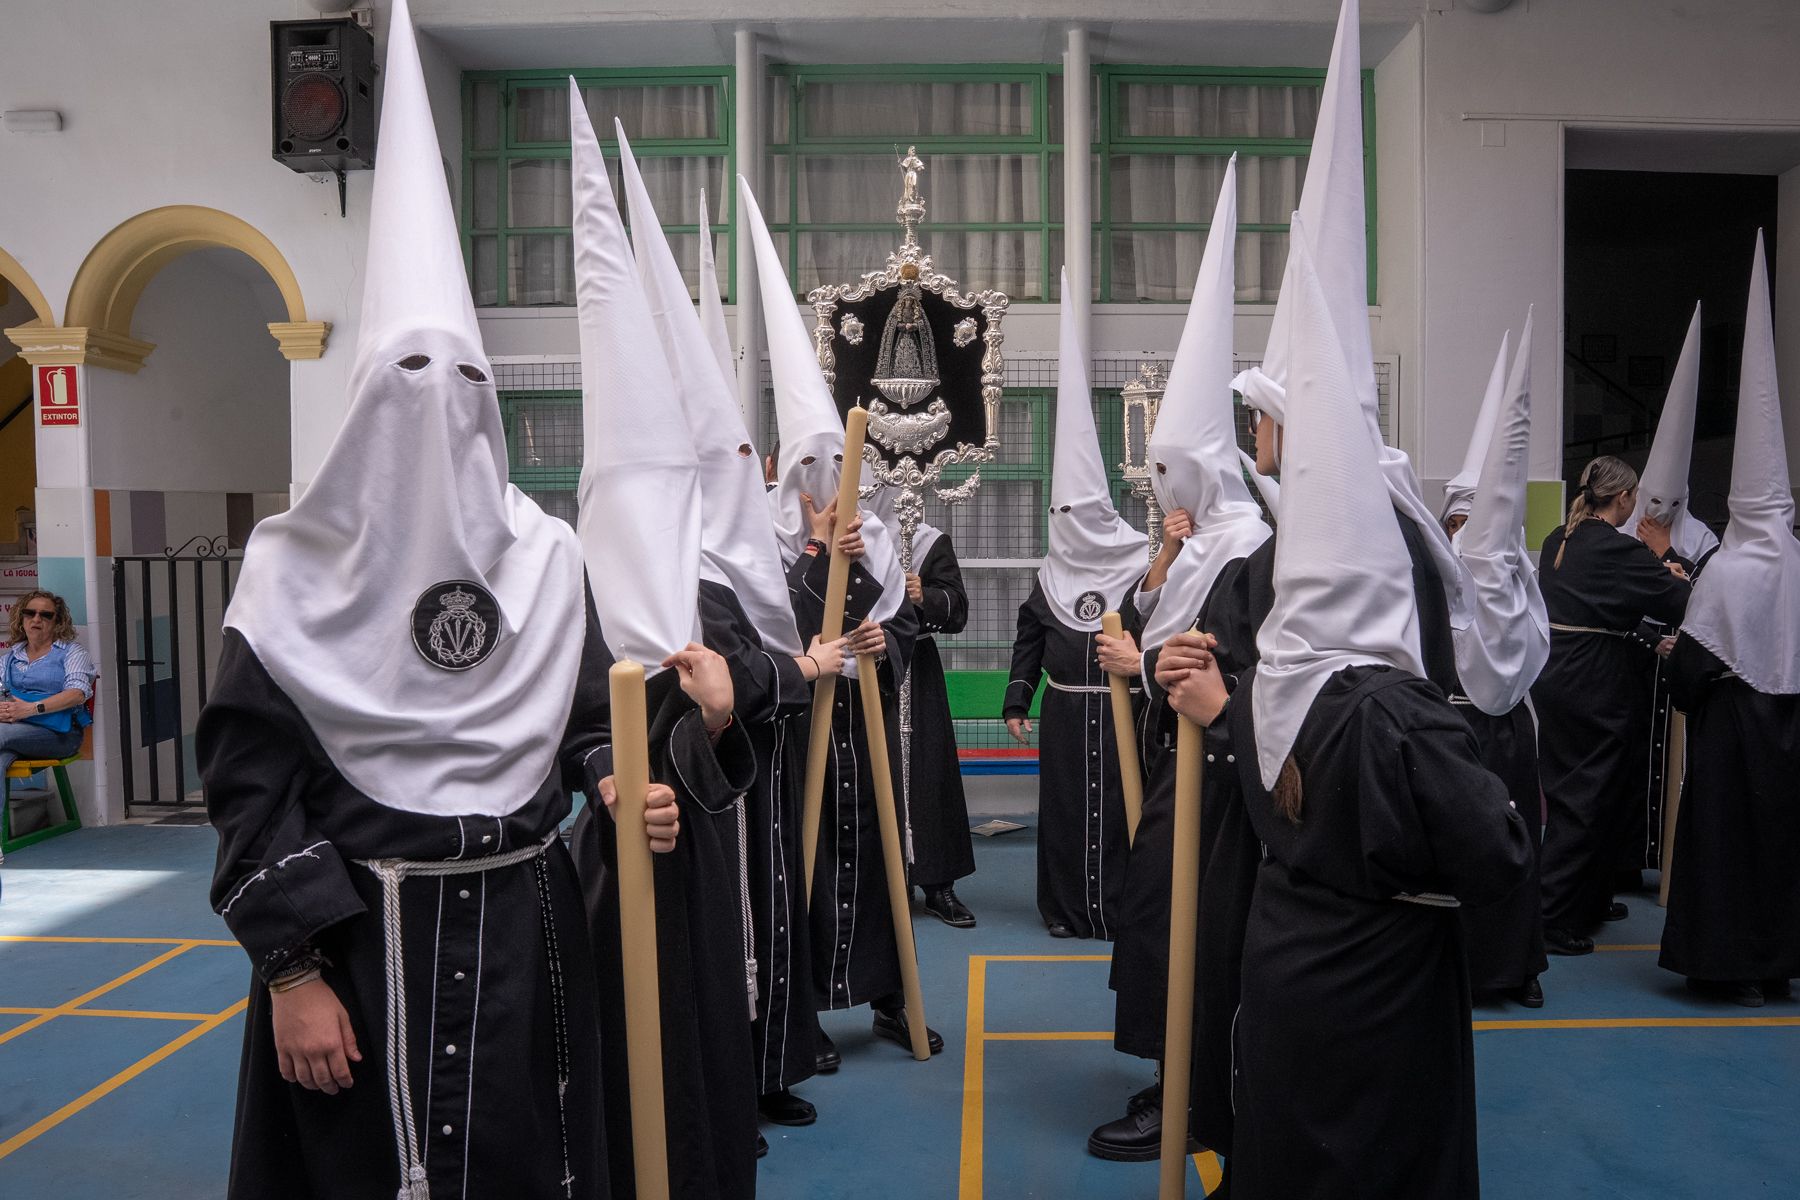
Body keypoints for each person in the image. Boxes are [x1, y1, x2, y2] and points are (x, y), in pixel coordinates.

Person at [200, 12, 634, 1196]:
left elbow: (588, 718)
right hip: (360, 946)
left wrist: (617, 775)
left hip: (529, 933)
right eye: (405, 378)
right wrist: (292, 973)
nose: (436, 405)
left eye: (464, 380)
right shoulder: (289, 573)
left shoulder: (545, 558)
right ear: (359, 405)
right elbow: (249, 785)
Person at [1201, 226, 1534, 1200]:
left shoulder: (1277, 691)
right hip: (1384, 979)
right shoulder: (1399, 715)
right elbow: (1497, 854)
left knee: (1290, 1147)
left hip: (1285, 955)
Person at [564, 95, 763, 1200]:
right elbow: (553, 731)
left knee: (699, 1042)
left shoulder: (707, 592)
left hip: (700, 858)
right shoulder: (560, 590)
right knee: (614, 1049)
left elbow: (737, 721)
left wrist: (721, 715)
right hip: (600, 866)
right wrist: (605, 774)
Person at [1091, 161, 1274, 1165]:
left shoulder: (1248, 547)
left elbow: (1217, 654)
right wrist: (1157, 576)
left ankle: (1192, 1093)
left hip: (1223, 779)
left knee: (1193, 928)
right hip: (1184, 767)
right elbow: (1149, 618)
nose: (1163, 487)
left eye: (1171, 471)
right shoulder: (1199, 544)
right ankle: (1175, 1074)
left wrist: (1149, 655)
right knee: (1157, 915)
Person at [741, 177, 941, 1070]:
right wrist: (822, 555)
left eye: (840, 464)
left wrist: (877, 640)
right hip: (797, 740)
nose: (828, 481)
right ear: (786, 474)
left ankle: (892, 1000)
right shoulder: (764, 549)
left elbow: (899, 628)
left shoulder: (879, 544)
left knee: (878, 857)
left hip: (863, 726)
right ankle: (807, 1013)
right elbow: (776, 632)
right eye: (811, 466)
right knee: (810, 865)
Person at [1659, 234, 1800, 1008]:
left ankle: (1726, 965)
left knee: (1726, 844)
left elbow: (1692, 668)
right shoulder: (1795, 564)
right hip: (1791, 727)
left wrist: (1684, 673)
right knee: (1781, 846)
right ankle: (1778, 961)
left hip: (1736, 730)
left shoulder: (1731, 568)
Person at [1005, 283, 1150, 942]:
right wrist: (1017, 701)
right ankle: (1065, 909)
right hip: (1065, 712)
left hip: (1126, 709)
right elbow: (1030, 638)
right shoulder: (1051, 574)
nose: (1065, 522)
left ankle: (1118, 908)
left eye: (1075, 513)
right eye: (1057, 512)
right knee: (1065, 808)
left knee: (1123, 803)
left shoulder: (1143, 564)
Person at [1533, 455, 1692, 955]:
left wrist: (1645, 628)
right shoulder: (1619, 549)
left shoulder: (1559, 539)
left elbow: (1595, 603)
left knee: (1584, 789)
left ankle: (1589, 896)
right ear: (1623, 498)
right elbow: (1677, 602)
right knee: (1588, 796)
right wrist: (1673, 569)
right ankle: (1551, 916)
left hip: (1558, 674)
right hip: (1595, 682)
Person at [1442, 317, 1552, 1009]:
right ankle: (1464, 964)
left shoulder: (1520, 574)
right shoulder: (1439, 570)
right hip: (1453, 729)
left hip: (1508, 731)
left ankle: (1518, 963)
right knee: (1462, 842)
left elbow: (1529, 648)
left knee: (1518, 840)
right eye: (1461, 523)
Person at [871, 487, 978, 928]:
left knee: (928, 771)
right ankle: (876, 883)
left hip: (916, 666)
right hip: (860, 663)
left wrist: (923, 596)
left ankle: (938, 884)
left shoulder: (928, 542)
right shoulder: (844, 536)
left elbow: (957, 610)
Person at [0, 590, 96, 779]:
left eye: (45, 615)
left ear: (57, 622)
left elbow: (77, 694)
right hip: (14, 730)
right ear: (21, 618)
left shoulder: (72, 653)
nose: (36, 619)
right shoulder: (9, 659)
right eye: (30, 613)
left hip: (61, 734)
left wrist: (30, 709)